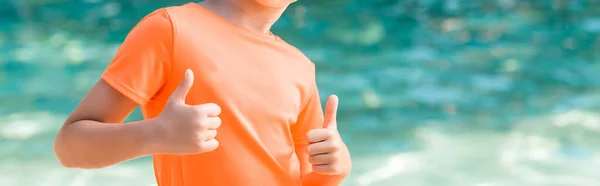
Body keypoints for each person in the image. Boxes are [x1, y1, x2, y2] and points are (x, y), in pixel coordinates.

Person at [53, 0, 352, 185]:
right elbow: (69, 146)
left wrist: (334, 169)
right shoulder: (170, 30)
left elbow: (306, 177)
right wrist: (156, 134)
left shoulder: (299, 66)